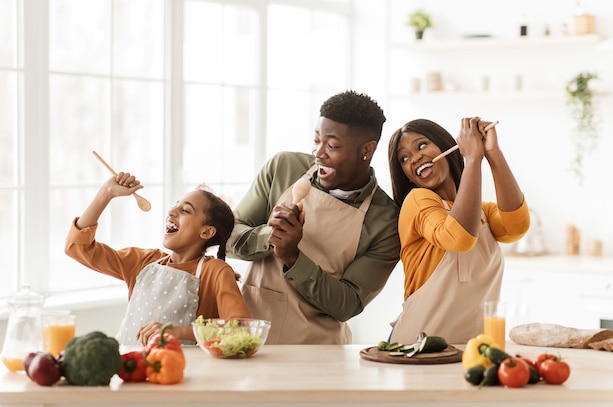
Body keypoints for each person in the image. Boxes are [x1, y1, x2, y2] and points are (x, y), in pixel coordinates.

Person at [227, 90, 401, 344]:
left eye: (332, 146)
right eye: (316, 140)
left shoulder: (385, 219)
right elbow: (228, 237)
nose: (319, 153)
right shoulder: (284, 168)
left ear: (367, 150)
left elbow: (348, 304)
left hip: (318, 350)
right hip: (249, 338)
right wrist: (269, 236)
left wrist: (293, 257)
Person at [387, 117, 530, 345]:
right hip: (417, 349)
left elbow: (517, 227)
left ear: (446, 146)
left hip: (474, 349)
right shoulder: (417, 201)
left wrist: (492, 152)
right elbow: (459, 237)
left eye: (422, 145)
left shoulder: (482, 213)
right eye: (404, 158)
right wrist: (473, 159)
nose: (414, 158)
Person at [65, 173, 251, 346]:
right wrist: (106, 192)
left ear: (207, 231)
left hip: (180, 375)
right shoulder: (144, 261)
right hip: (130, 371)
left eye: (185, 210)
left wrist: (179, 331)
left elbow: (241, 330)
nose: (171, 212)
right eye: (175, 205)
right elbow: (78, 247)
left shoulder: (216, 272)